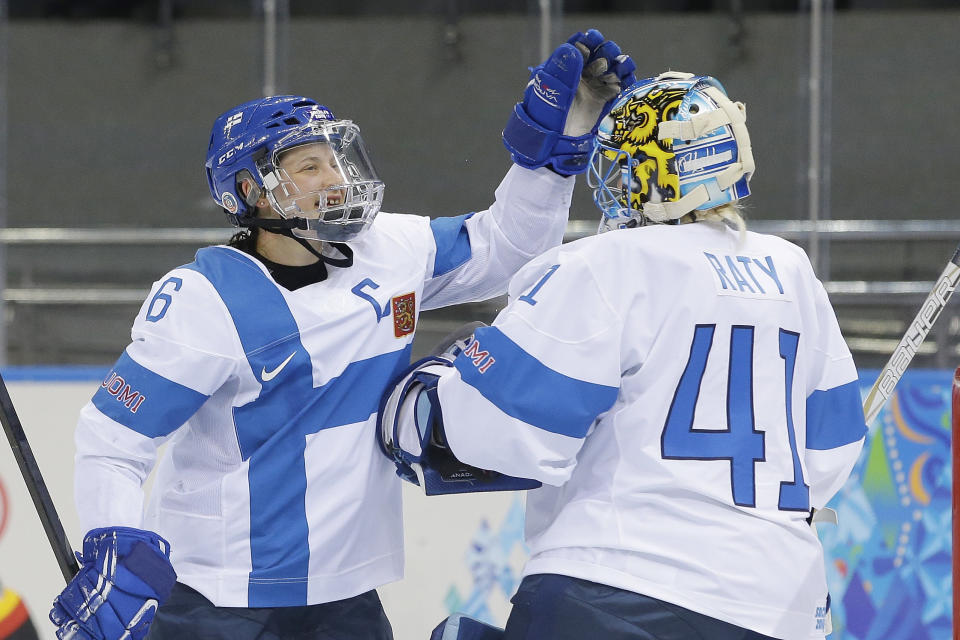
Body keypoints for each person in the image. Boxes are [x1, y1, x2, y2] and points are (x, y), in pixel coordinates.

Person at [46, 31, 637, 640]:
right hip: (218, 598)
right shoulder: (204, 300)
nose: (335, 178)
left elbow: (507, 250)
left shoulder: (389, 248)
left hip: (345, 597)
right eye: (309, 166)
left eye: (335, 158)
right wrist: (114, 547)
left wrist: (553, 147)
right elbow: (113, 439)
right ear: (253, 192)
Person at [379, 71, 868, 640]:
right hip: (782, 604)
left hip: (618, 589)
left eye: (622, 161)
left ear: (657, 171)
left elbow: (498, 428)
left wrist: (444, 385)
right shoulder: (790, 269)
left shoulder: (605, 263)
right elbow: (832, 448)